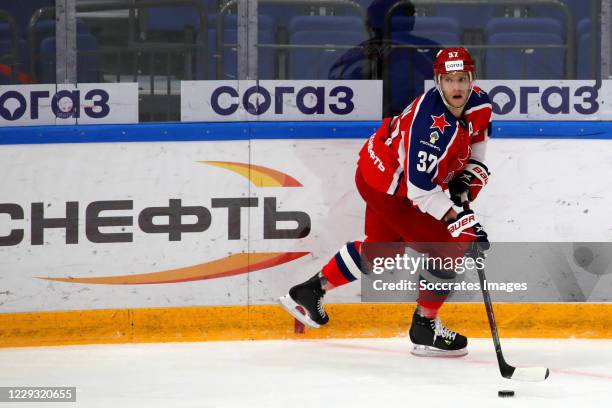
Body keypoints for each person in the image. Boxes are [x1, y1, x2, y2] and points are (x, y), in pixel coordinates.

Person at [280, 47, 492, 357]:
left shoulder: (480, 103)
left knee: (383, 248)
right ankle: (424, 326)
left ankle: (310, 291)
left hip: (377, 170)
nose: (457, 87)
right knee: (449, 247)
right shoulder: (427, 128)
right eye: (449, 80)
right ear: (437, 81)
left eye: (462, 79)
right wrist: (459, 222)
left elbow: (476, 149)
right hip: (388, 186)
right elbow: (419, 191)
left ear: (472, 79)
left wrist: (467, 182)